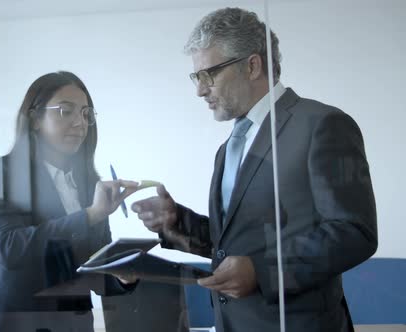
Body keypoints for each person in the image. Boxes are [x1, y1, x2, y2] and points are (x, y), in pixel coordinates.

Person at [132, 7, 377, 332]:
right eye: (196, 77)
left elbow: (354, 232)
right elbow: (232, 245)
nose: (200, 90)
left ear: (252, 65)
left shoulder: (322, 125)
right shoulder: (228, 147)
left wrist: (263, 270)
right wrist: (177, 221)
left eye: (210, 74)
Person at [0, 71, 138, 332]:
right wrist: (90, 215)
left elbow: (92, 269)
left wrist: (124, 276)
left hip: (74, 325)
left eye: (86, 114)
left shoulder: (88, 183)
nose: (80, 123)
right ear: (35, 118)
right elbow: (8, 249)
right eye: (66, 111)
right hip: (20, 325)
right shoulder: (5, 172)